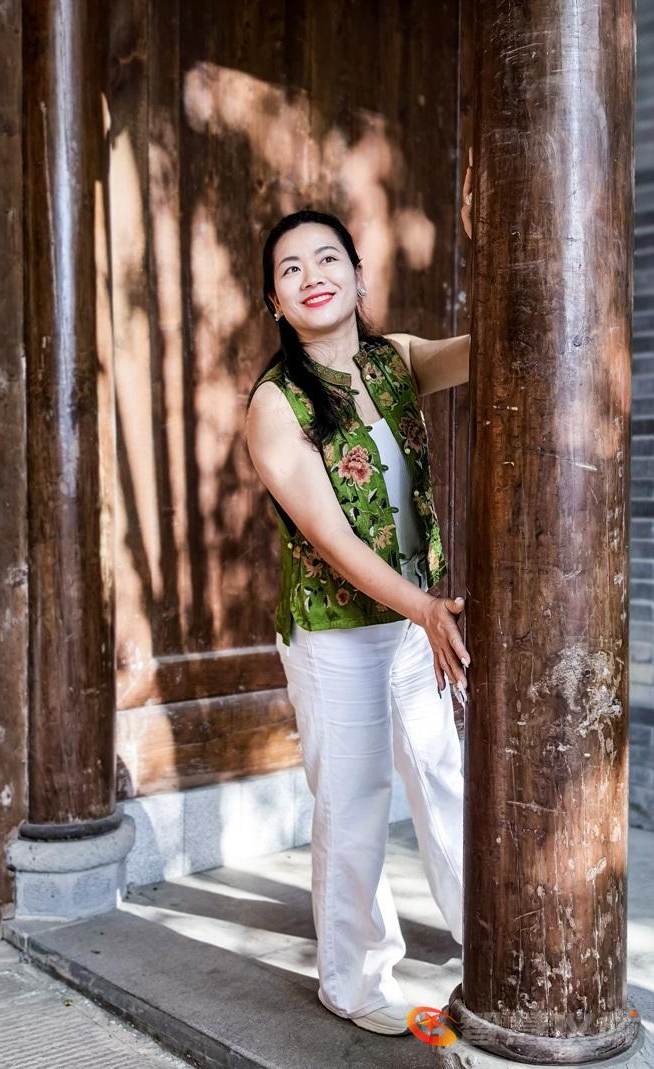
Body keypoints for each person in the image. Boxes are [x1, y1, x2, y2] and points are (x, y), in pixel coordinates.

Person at [244, 151, 474, 1038]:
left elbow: (498, 344)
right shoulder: (276, 404)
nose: (311, 275)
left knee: (444, 778)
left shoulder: (395, 360)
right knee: (355, 800)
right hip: (336, 630)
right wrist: (425, 608)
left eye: (327, 258)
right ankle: (353, 978)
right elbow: (333, 541)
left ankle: (486, 936)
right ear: (274, 301)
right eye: (290, 269)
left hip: (416, 620)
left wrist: (484, 238)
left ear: (357, 274)